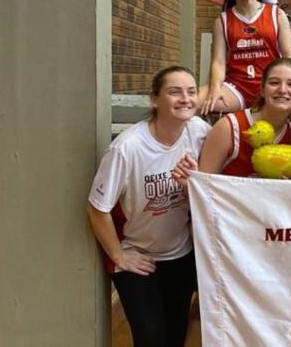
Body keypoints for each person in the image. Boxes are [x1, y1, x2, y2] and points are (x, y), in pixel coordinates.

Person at [87, 66, 210, 347]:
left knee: (176, 334)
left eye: (191, 92)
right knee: (150, 337)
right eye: (174, 92)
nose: (186, 98)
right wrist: (119, 256)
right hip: (139, 256)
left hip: (180, 253)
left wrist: (192, 184)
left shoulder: (199, 132)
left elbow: (214, 187)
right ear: (154, 99)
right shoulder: (127, 148)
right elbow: (97, 209)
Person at [174, 58, 291, 178]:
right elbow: (203, 186)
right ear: (263, 90)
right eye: (274, 82)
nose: (282, 89)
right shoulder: (229, 127)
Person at [201, 0, 291, 114]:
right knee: (193, 102)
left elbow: (289, 55)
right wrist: (215, 88)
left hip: (273, 85)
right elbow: (218, 62)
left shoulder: (276, 14)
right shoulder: (222, 20)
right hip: (236, 88)